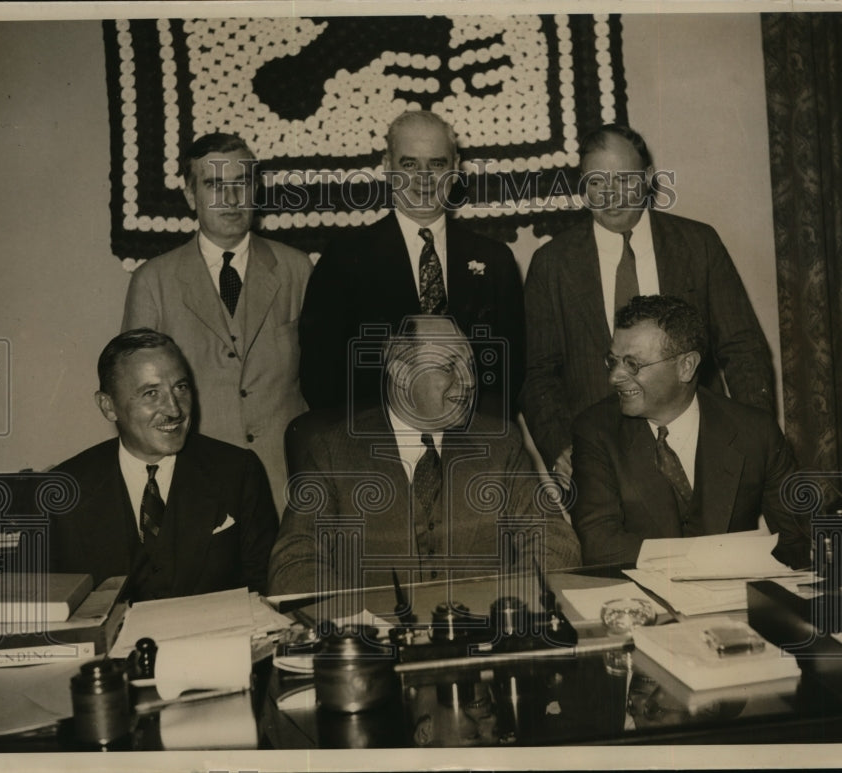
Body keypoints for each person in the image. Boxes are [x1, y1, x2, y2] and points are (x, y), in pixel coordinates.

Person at [520, 124, 774, 488]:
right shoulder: (552, 263)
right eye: (596, 182)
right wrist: (560, 446)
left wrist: (754, 439)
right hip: (599, 460)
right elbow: (537, 373)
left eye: (624, 180)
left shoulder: (698, 244)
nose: (610, 196)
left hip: (702, 449)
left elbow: (743, 348)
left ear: (649, 179)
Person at [268, 316, 580, 595]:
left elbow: (554, 540)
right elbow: (293, 561)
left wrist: (509, 606)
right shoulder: (332, 451)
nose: (470, 381)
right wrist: (357, 622)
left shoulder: (501, 444)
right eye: (449, 367)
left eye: (470, 366)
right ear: (401, 372)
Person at [122, 132, 312, 513]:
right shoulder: (153, 282)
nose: (230, 198)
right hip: (196, 487)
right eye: (214, 185)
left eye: (241, 183)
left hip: (287, 488)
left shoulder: (297, 269)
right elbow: (137, 402)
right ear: (191, 195)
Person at [298, 110, 525, 418]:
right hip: (376, 451)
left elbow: (512, 373)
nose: (424, 178)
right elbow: (321, 379)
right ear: (387, 167)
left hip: (474, 448)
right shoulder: (344, 261)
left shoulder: (495, 260)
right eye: (409, 164)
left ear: (455, 168)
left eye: (437, 164)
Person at [570, 295, 810, 568]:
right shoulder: (595, 431)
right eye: (613, 361)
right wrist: (716, 556)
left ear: (686, 366)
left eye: (632, 364)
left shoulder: (754, 431)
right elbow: (600, 546)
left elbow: (797, 540)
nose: (615, 377)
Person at [49, 329, 278, 600]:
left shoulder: (238, 472)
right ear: (108, 406)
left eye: (180, 388)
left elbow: (265, 587)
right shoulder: (63, 489)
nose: (174, 409)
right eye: (151, 393)